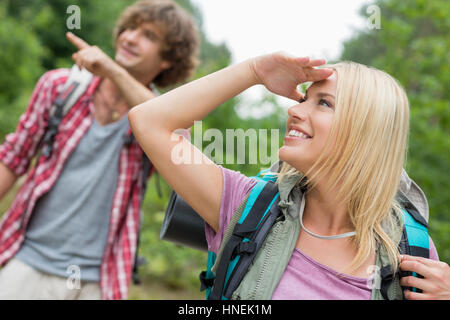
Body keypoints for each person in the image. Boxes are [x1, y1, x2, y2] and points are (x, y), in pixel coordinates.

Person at [129, 52, 447, 299]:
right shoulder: (247, 205)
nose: (294, 110)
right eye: (303, 98)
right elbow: (148, 121)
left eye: (323, 103)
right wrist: (253, 71)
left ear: (366, 131)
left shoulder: (409, 250)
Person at [0, 0, 199, 300]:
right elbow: (12, 160)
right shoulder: (60, 87)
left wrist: (113, 70)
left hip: (98, 280)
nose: (130, 37)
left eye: (149, 35)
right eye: (130, 28)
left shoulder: (162, 116)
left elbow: (182, 152)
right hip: (27, 262)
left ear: (168, 59)